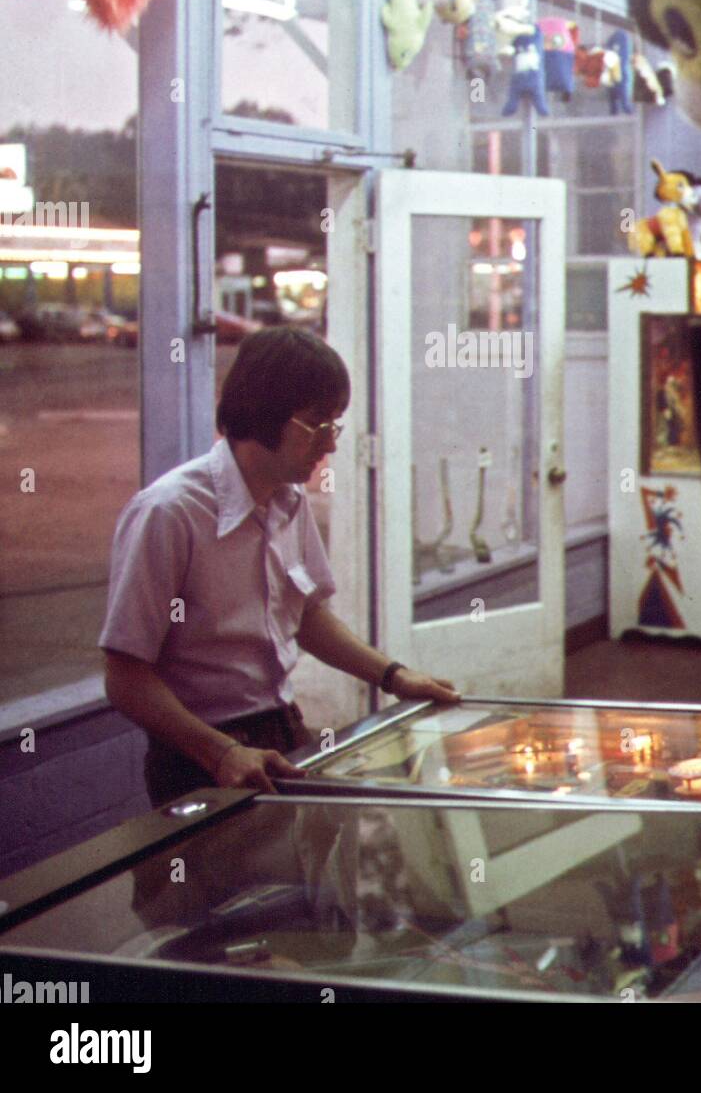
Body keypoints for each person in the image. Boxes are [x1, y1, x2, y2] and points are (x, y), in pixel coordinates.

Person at [101, 326, 459, 806]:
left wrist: (393, 676)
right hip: (198, 755)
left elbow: (306, 616)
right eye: (319, 424)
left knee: (292, 878)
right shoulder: (170, 513)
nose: (330, 445)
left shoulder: (288, 500)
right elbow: (125, 677)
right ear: (267, 414)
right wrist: (221, 754)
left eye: (336, 425)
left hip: (283, 730)